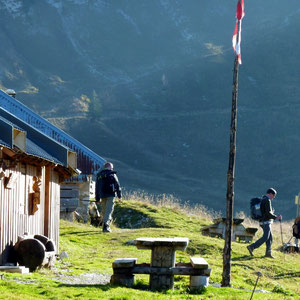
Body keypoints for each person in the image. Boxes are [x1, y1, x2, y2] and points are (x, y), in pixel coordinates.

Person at [247, 188, 282, 258]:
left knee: (270, 238)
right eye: (273, 196)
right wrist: (276, 217)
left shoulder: (263, 199)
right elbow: (268, 213)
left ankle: (268, 253)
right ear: (270, 194)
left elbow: (265, 212)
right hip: (266, 222)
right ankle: (252, 247)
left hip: (262, 221)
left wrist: (271, 213)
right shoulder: (267, 200)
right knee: (266, 237)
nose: (273, 198)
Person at [95, 162, 122, 232]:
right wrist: (119, 196)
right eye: (112, 168)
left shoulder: (99, 175)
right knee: (108, 211)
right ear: (110, 167)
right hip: (111, 195)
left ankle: (105, 225)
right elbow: (117, 185)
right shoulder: (112, 174)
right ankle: (106, 227)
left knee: (104, 211)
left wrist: (97, 198)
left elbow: (97, 187)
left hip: (102, 195)